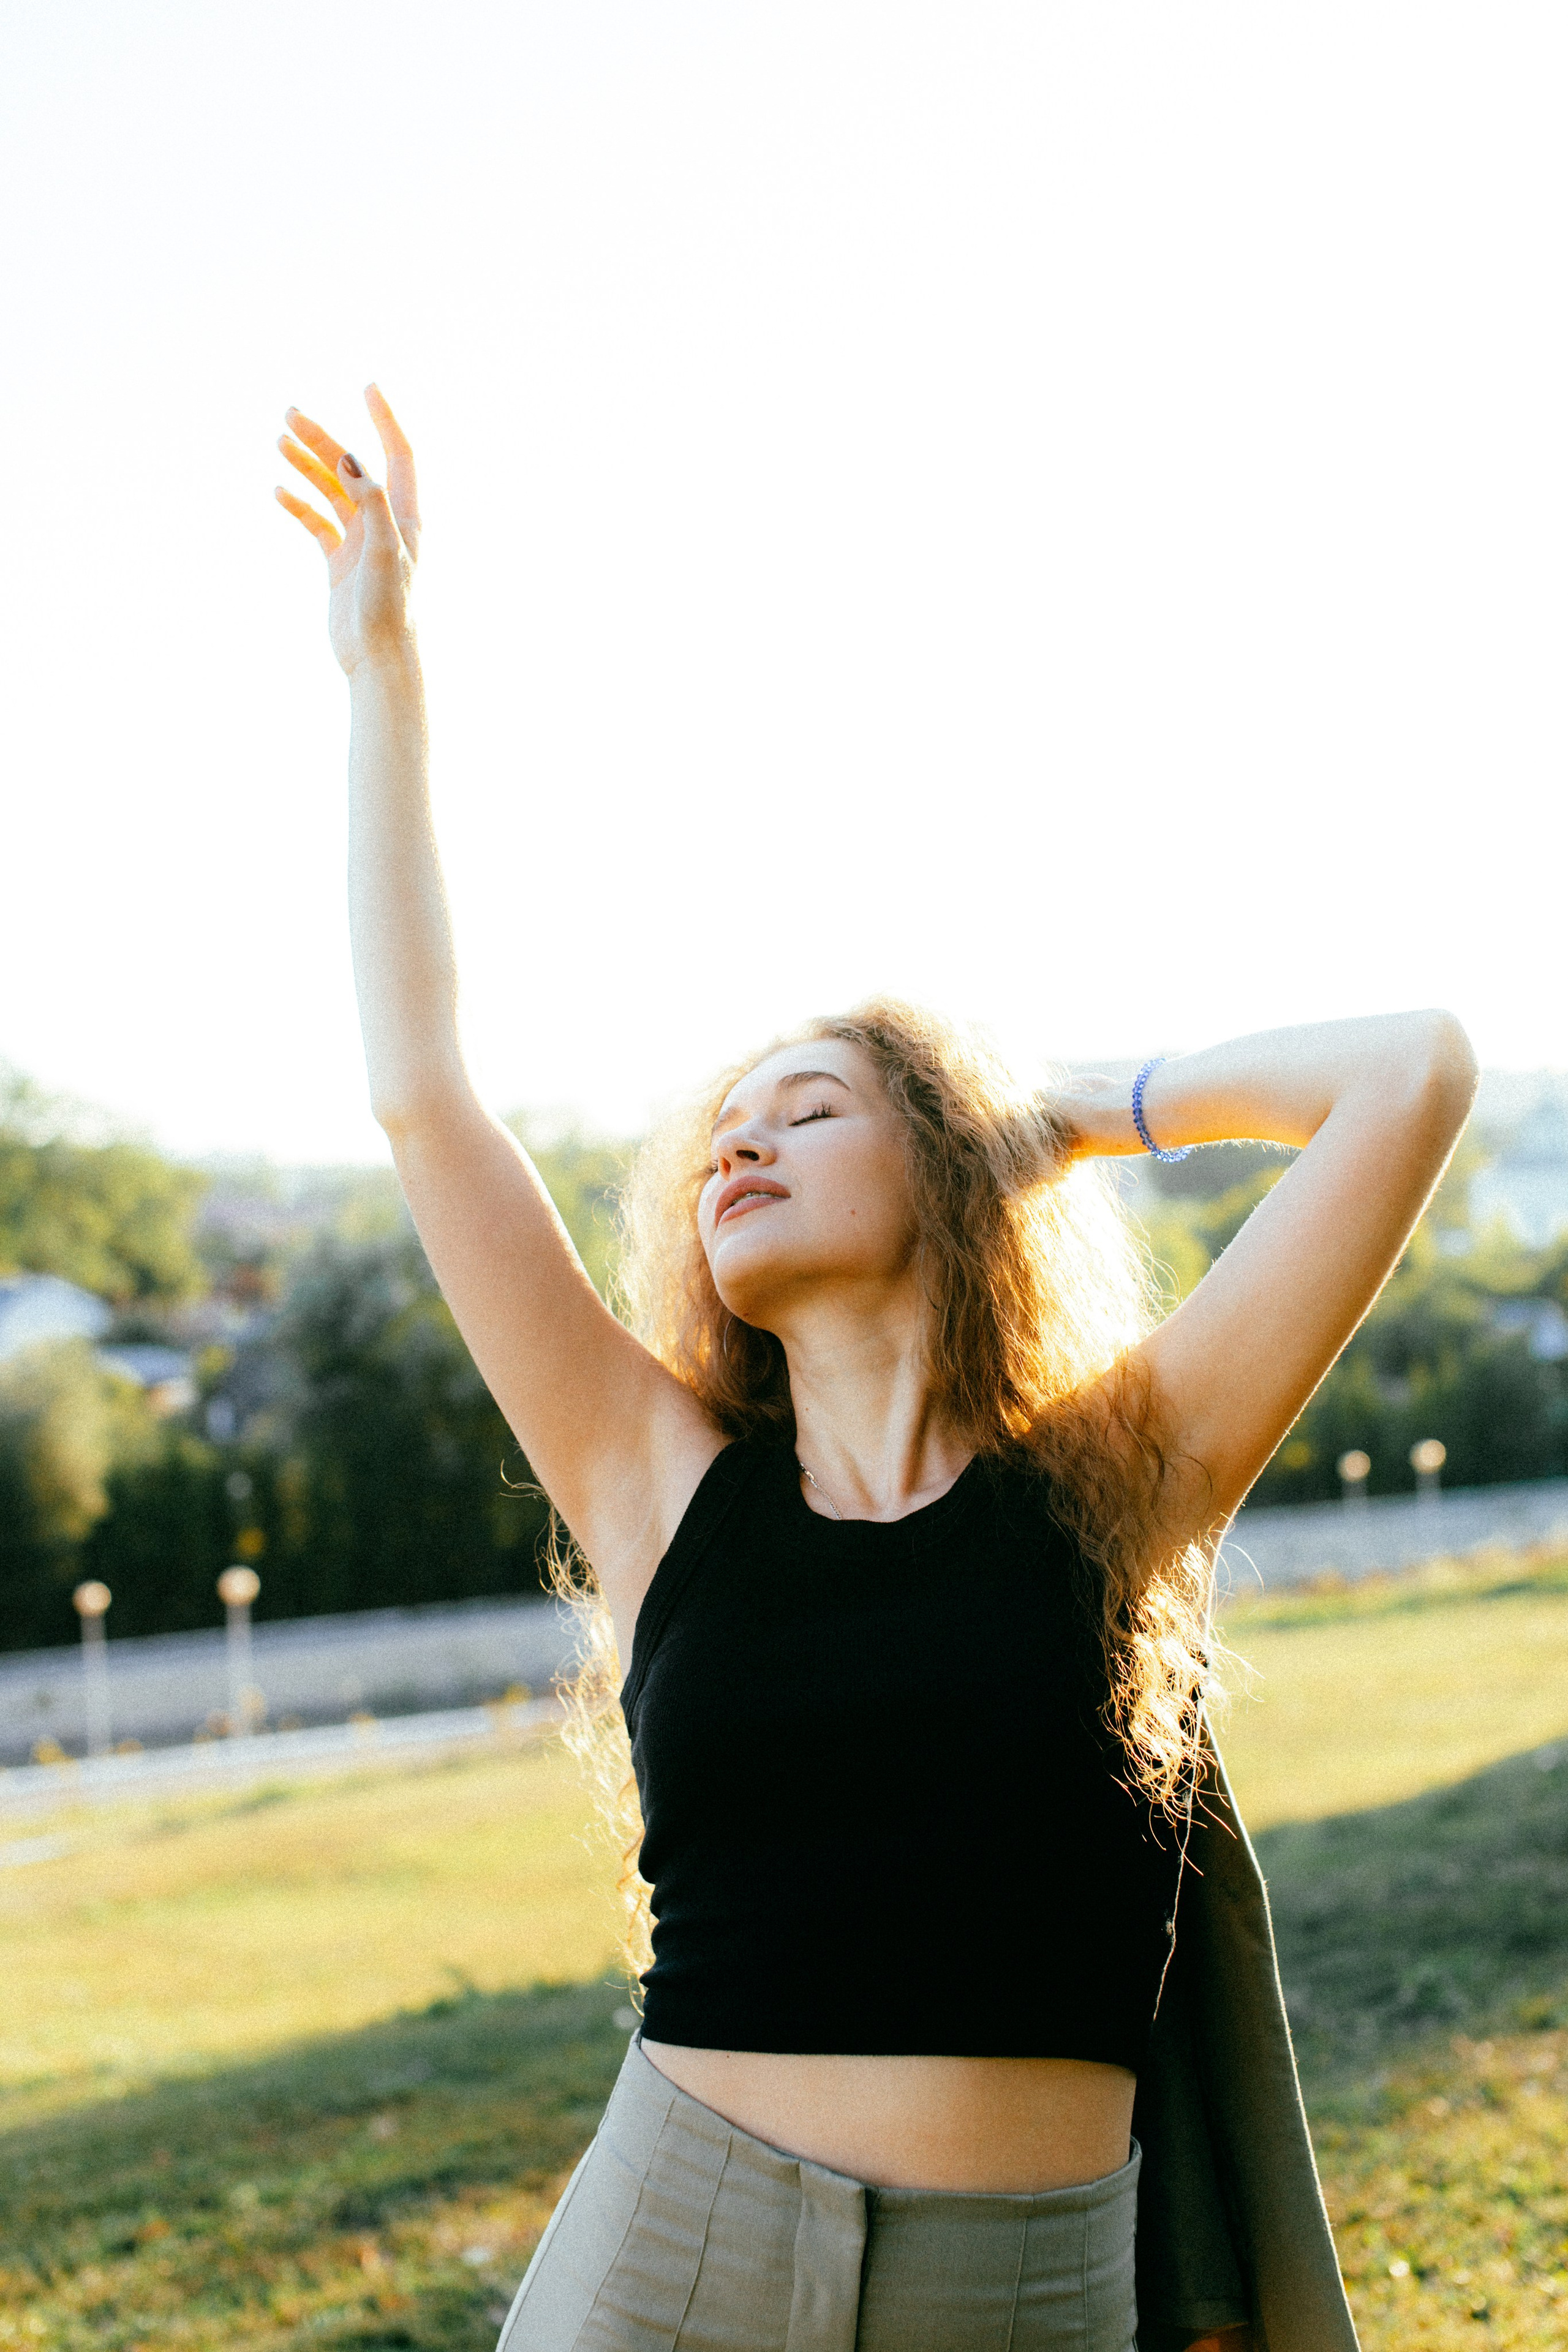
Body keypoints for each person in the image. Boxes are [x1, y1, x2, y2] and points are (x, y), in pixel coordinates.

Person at [276, 389, 1477, 2352]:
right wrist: (380, 669)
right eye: (725, 1133)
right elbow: (424, 1092)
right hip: (672, 2258)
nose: (740, 1142)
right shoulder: (655, 1478)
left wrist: (1061, 1114)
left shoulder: (1128, 1475)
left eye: (813, 1107)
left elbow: (1410, 1073)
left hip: (1024, 2290)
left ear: (947, 1168)